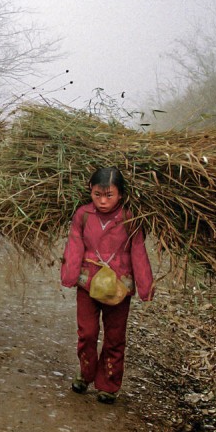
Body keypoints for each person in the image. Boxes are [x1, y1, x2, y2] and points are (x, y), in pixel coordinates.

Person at [60, 167, 153, 404]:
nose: (102, 201)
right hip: (88, 284)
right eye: (97, 194)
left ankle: (109, 385)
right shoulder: (83, 215)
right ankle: (86, 373)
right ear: (90, 191)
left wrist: (145, 287)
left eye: (109, 195)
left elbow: (138, 251)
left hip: (119, 289)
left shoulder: (130, 219)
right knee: (87, 333)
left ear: (120, 194)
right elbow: (74, 245)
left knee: (115, 337)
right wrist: (69, 276)